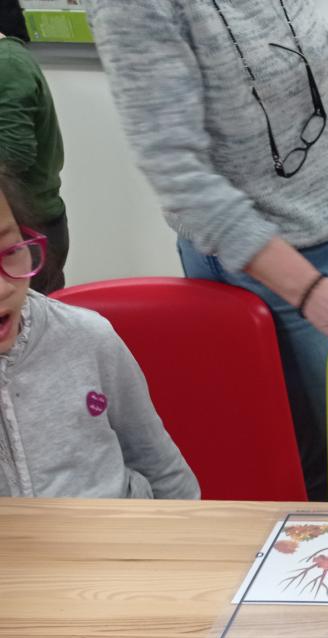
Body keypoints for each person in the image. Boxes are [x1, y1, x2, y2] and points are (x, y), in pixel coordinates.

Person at [83, 0, 328, 500]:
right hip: (275, 274)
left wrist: (315, 111)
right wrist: (309, 289)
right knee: (324, 472)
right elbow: (178, 175)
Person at [0, 171, 198, 499]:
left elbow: (162, 467)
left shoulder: (87, 337)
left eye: (9, 251)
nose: (4, 289)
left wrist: (184, 526)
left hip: (120, 526)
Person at [0, 0, 69, 293]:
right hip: (22, 222)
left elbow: (13, 154)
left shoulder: (7, 64)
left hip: (27, 227)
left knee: (32, 318)